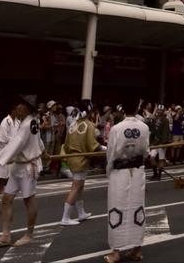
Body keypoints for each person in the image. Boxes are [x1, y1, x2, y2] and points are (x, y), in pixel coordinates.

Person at [104, 99, 150, 263]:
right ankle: (137, 248)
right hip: (137, 171)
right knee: (137, 207)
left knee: (117, 207)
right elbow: (146, 151)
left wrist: (108, 171)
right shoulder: (144, 127)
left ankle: (116, 251)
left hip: (120, 172)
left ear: (122, 110)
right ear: (138, 108)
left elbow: (111, 153)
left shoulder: (117, 128)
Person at [0, 95, 44, 248]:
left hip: (27, 167)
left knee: (28, 200)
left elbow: (15, 145)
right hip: (18, 165)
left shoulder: (28, 123)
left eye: (20, 104)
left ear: (27, 108)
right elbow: (38, 141)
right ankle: (5, 235)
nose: (17, 107)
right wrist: (44, 152)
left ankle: (29, 234)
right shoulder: (27, 121)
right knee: (6, 198)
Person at [60, 104, 104, 225]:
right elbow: (92, 145)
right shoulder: (89, 125)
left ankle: (81, 213)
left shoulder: (73, 124)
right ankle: (65, 217)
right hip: (80, 158)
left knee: (80, 187)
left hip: (72, 157)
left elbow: (66, 144)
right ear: (90, 113)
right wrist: (105, 148)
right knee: (76, 187)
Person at [0, 106, 18, 195]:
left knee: (12, 170)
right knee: (3, 170)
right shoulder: (5, 121)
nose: (18, 112)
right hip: (4, 148)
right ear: (12, 111)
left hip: (13, 148)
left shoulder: (17, 121)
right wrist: (13, 141)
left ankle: (10, 188)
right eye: (17, 111)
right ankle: (0, 188)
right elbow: (3, 137)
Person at [149, 104, 170, 181]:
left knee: (161, 159)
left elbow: (166, 132)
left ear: (163, 111)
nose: (159, 111)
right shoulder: (155, 119)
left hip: (162, 142)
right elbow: (153, 131)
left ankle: (159, 175)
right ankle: (155, 173)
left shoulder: (165, 120)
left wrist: (164, 142)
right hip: (155, 142)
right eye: (158, 110)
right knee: (152, 157)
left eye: (161, 110)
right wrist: (150, 141)